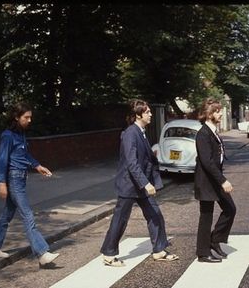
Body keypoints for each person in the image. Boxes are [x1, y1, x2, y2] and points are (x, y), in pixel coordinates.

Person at [100, 99, 178, 266]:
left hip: (139, 185)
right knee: (120, 219)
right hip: (130, 184)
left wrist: (152, 154)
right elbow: (131, 162)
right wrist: (146, 184)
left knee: (155, 214)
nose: (150, 114)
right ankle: (108, 253)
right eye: (148, 112)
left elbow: (140, 158)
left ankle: (159, 250)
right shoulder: (130, 133)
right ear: (138, 115)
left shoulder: (141, 132)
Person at [0, 102, 60, 268]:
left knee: (7, 214)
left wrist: (37, 166)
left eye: (30, 117)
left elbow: (24, 155)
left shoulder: (20, 135)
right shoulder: (7, 135)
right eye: (26, 117)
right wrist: (1, 183)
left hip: (21, 178)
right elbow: (1, 159)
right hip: (13, 178)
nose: (29, 120)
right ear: (16, 117)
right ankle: (42, 253)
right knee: (27, 215)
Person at [194, 97, 236, 263]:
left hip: (215, 180)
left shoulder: (212, 131)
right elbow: (207, 162)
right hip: (206, 182)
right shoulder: (203, 134)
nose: (220, 114)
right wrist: (223, 180)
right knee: (206, 216)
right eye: (217, 111)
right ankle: (203, 253)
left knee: (230, 209)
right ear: (209, 114)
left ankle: (214, 240)